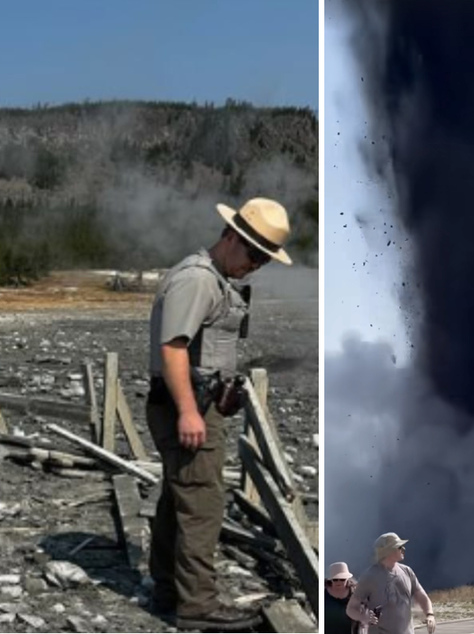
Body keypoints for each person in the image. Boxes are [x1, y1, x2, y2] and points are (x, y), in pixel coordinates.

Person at [144, 197, 292, 631]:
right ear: (230, 237)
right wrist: (190, 411)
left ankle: (169, 590)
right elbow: (172, 348)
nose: (256, 265)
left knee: (180, 498)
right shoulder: (198, 280)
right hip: (183, 405)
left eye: (264, 259)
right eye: (253, 254)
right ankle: (198, 607)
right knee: (203, 503)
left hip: (193, 401)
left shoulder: (214, 279)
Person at [347, 533, 436, 634]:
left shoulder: (407, 571)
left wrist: (429, 614)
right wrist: (364, 617)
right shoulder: (369, 576)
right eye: (399, 547)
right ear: (389, 551)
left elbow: (420, 594)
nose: (403, 549)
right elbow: (351, 609)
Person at [326, 562, 368, 634]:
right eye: (335, 579)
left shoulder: (356, 593)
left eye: (342, 579)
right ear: (330, 580)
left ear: (347, 579)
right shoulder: (323, 594)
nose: (339, 582)